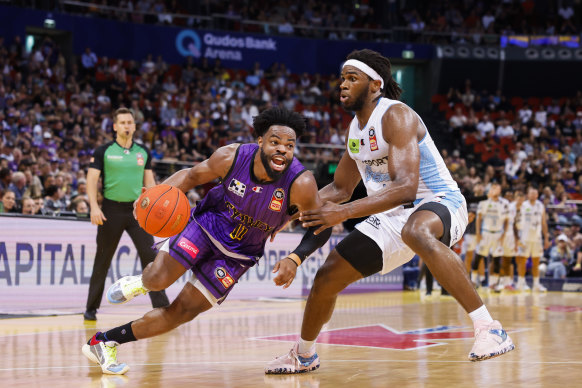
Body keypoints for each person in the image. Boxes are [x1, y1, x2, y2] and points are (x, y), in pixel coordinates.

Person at [265, 49, 514, 375]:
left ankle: (489, 328)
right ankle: (304, 354)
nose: (343, 85)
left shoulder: (396, 116)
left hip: (438, 201)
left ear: (375, 85)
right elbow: (340, 189)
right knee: (326, 278)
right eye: (342, 78)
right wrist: (289, 211)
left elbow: (406, 187)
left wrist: (343, 214)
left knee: (416, 230)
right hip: (392, 215)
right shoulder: (355, 131)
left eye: (352, 78)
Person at [82, 107, 332, 374]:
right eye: (275, 142)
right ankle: (142, 281)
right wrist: (152, 196)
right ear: (260, 141)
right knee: (157, 280)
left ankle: (104, 341)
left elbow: (323, 226)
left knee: (180, 313)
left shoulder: (301, 182)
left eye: (289, 145)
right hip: (207, 225)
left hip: (238, 254)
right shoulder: (232, 156)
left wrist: (296, 257)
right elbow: (190, 176)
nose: (282, 149)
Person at [83, 107, 169, 321]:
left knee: (151, 259)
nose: (126, 126)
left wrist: (153, 208)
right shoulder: (103, 151)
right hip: (110, 210)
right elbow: (92, 180)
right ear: (115, 126)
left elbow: (149, 184)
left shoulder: (143, 152)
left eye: (129, 122)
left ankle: (162, 307)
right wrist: (94, 206)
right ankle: (90, 309)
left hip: (136, 213)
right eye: (122, 122)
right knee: (102, 260)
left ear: (134, 126)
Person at [471, 183, 508, 290]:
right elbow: (479, 218)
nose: (496, 190)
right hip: (485, 233)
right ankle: (473, 281)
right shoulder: (484, 201)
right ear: (491, 190)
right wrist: (478, 233)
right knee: (478, 257)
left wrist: (504, 234)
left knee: (496, 259)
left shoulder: (504, 203)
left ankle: (493, 284)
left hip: (497, 234)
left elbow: (506, 220)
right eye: (494, 188)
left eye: (498, 188)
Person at [515, 187, 550, 291]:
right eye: (531, 193)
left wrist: (546, 238)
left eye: (535, 193)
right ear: (528, 194)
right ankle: (520, 284)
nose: (533, 195)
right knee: (522, 261)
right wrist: (517, 238)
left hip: (537, 239)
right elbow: (516, 221)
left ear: (537, 195)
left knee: (536, 261)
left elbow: (544, 223)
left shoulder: (540, 206)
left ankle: (536, 284)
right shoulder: (523, 205)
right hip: (524, 238)